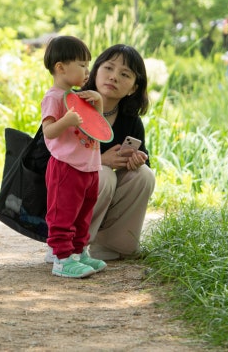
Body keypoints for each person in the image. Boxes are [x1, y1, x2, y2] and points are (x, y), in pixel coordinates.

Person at [40, 35, 108, 278]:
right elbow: (48, 131)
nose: (87, 71)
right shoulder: (53, 97)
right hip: (66, 166)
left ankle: (79, 253)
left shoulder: (77, 96)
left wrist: (98, 103)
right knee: (64, 214)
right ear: (60, 67)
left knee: (83, 214)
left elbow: (95, 128)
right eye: (81, 65)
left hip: (88, 166)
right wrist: (65, 121)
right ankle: (61, 258)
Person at [80, 43, 154, 261]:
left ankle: (111, 246)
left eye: (125, 74)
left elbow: (143, 166)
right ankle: (70, 244)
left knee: (144, 176)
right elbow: (47, 157)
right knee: (102, 173)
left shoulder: (130, 120)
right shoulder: (73, 102)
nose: (113, 77)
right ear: (95, 71)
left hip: (102, 189)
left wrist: (137, 160)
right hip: (60, 194)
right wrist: (100, 160)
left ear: (133, 87)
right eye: (108, 68)